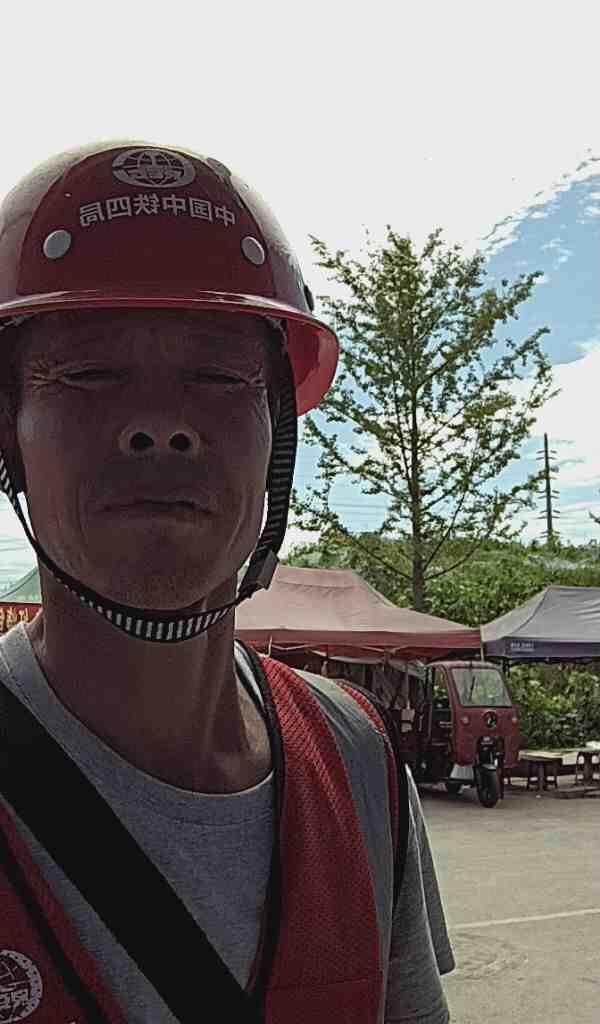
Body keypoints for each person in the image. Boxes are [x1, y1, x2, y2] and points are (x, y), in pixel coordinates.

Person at [0, 142, 454, 1023]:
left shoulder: (357, 757)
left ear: (278, 430)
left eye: (217, 375)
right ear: (7, 432)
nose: (160, 426)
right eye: (89, 372)